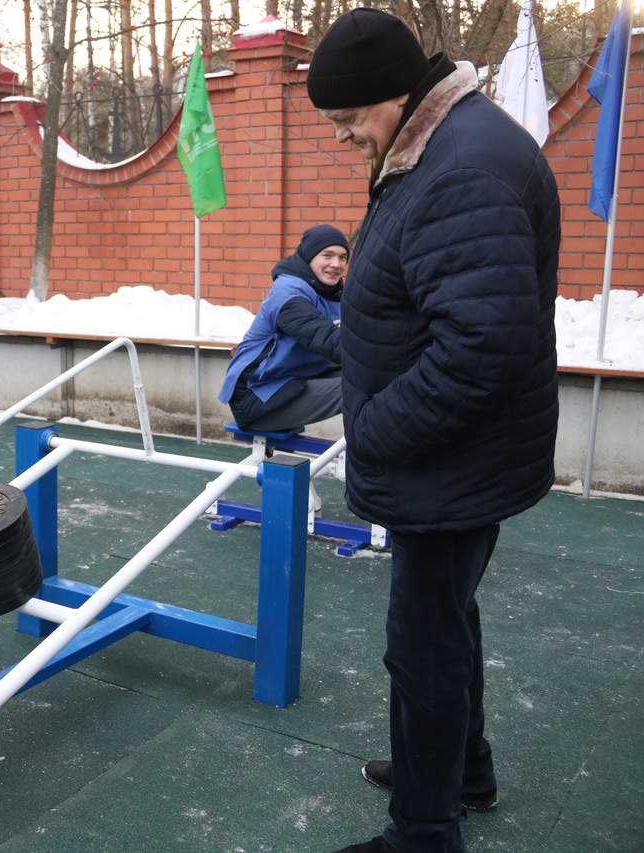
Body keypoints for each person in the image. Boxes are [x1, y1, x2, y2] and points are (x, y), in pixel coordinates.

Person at [305, 9, 561, 853]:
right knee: (448, 620)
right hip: (454, 456)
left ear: (391, 95)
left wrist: (376, 427)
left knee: (421, 647)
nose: (345, 139)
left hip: (449, 460)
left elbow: (483, 343)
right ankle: (467, 772)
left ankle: (423, 831)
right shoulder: (435, 143)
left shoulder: (462, 168)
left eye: (348, 122)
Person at [218, 224, 349, 432]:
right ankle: (375, 458)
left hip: (291, 383)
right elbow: (327, 339)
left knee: (376, 378)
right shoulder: (288, 293)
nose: (336, 264)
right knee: (361, 387)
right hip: (257, 399)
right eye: (327, 255)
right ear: (309, 256)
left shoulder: (333, 293)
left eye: (342, 257)